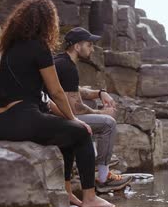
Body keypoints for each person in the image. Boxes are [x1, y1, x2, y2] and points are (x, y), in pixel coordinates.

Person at [0, 0, 113, 207]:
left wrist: (70, 121)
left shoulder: (10, 48)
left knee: (68, 133)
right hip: (24, 119)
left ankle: (67, 193)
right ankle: (90, 198)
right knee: (81, 133)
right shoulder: (39, 48)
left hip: (2, 123)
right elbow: (56, 92)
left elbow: (45, 101)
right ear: (47, 22)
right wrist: (76, 120)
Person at [48, 27, 131, 192]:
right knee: (108, 124)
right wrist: (102, 113)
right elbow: (75, 108)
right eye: (89, 45)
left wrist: (100, 93)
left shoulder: (61, 61)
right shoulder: (67, 67)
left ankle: (92, 167)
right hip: (54, 118)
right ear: (77, 47)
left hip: (52, 115)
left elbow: (75, 91)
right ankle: (102, 178)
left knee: (95, 114)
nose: (92, 48)